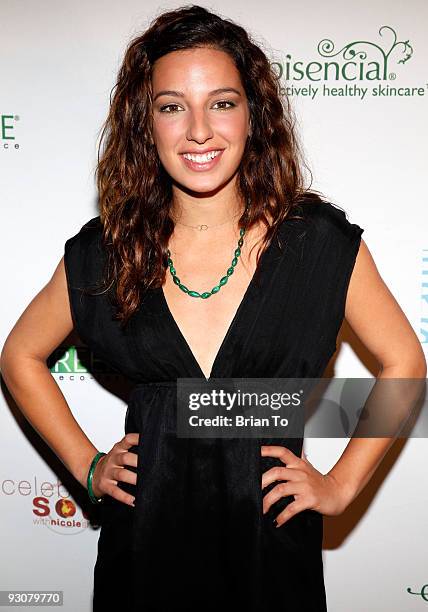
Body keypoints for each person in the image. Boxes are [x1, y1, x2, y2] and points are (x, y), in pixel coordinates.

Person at [1, 5, 426, 612]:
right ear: (144, 124)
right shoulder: (106, 252)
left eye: (222, 102)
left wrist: (341, 485)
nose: (199, 130)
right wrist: (87, 465)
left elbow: (405, 361)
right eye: (171, 106)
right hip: (143, 549)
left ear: (254, 115)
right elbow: (20, 355)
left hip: (271, 552)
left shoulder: (316, 243)